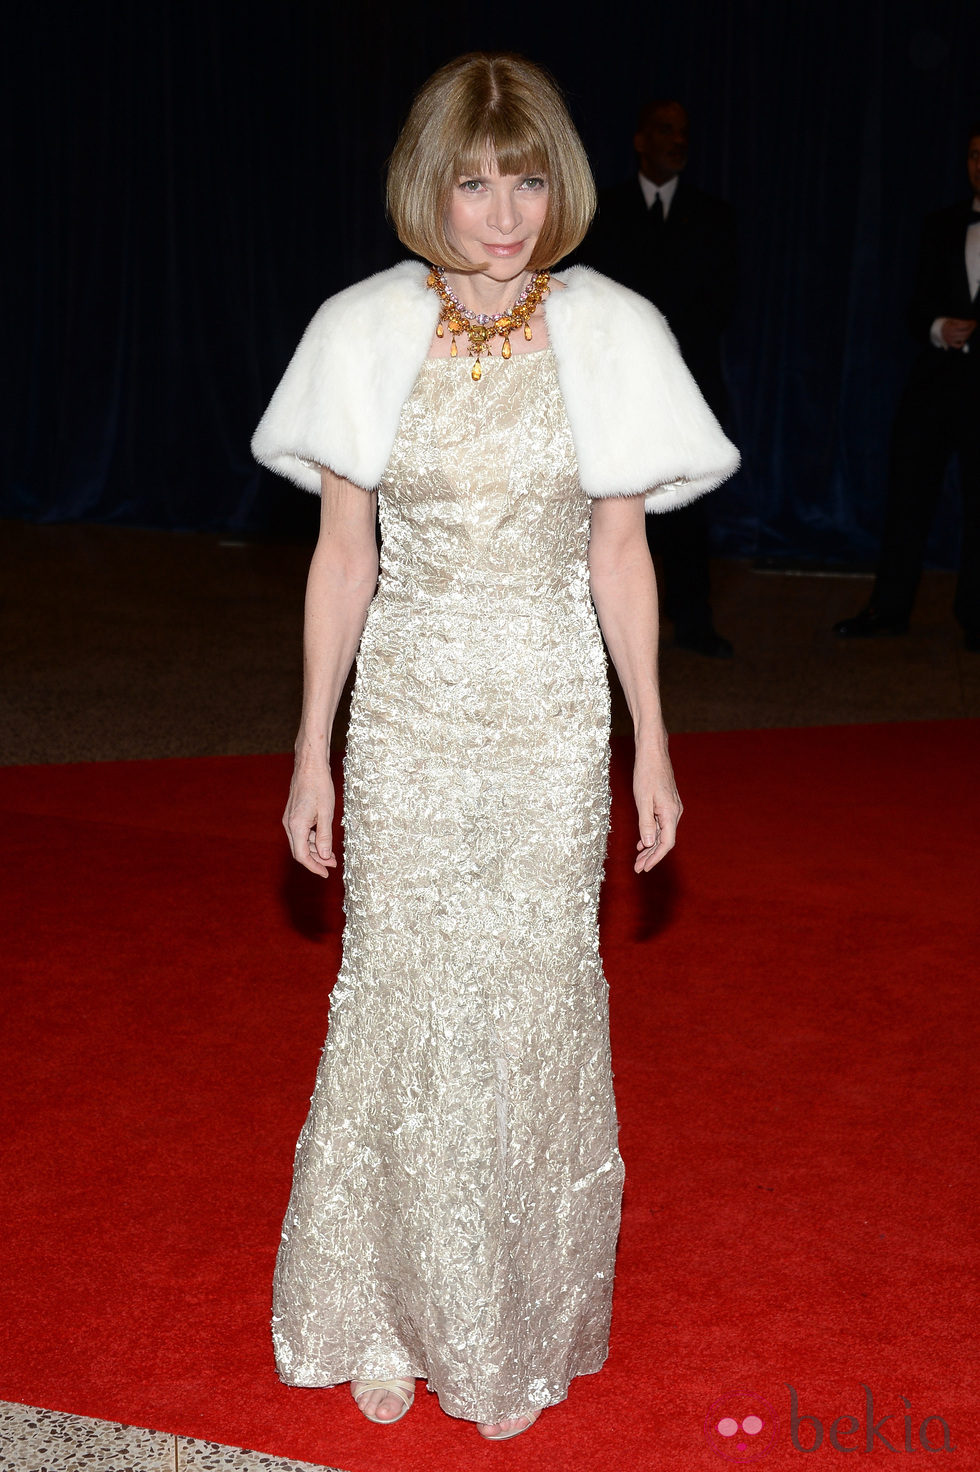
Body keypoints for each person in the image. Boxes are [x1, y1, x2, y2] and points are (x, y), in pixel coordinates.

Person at [252, 52, 738, 1442]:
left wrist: (652, 742)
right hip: (407, 709)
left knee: (529, 1002)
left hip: (543, 710)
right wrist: (309, 749)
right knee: (403, 995)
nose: (505, 210)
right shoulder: (359, 330)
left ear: (559, 182)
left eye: (526, 177)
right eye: (475, 179)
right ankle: (386, 1309)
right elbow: (341, 560)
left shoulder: (609, 329)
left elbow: (623, 554)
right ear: (432, 184)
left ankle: (511, 1319)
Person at [577, 99, 738, 658]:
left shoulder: (715, 217)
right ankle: (597, 628)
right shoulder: (603, 215)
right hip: (615, 390)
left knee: (689, 513)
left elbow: (723, 305)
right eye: (666, 130)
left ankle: (694, 621)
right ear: (641, 140)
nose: (677, 140)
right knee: (609, 508)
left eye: (684, 131)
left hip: (685, 386)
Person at [834, 126, 980, 649]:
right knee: (908, 499)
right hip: (935, 384)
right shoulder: (940, 225)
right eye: (973, 155)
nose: (978, 164)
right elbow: (915, 307)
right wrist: (939, 327)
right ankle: (889, 608)